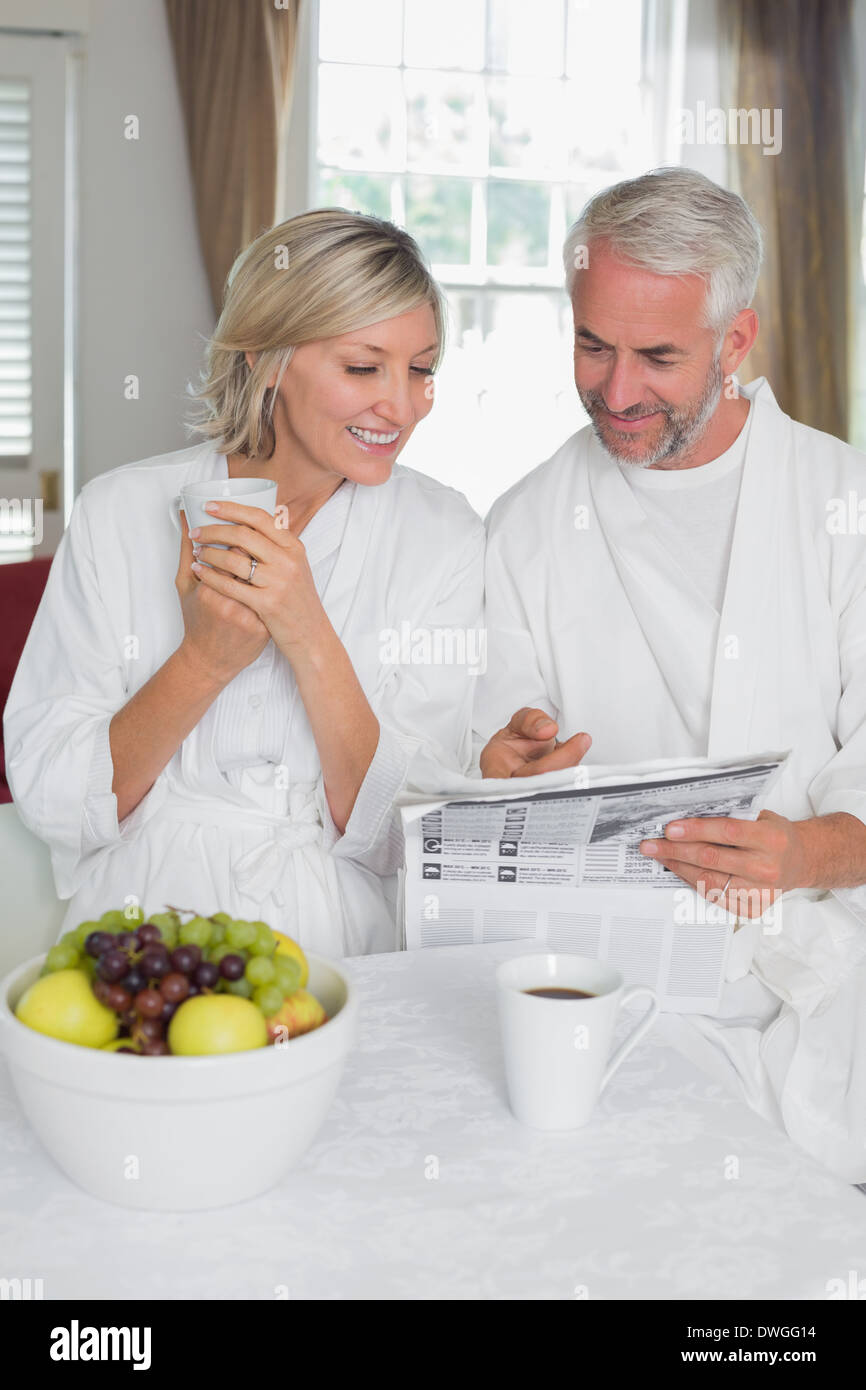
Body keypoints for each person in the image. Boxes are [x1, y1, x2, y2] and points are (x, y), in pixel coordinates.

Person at [476, 168, 866, 1182]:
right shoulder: (523, 523)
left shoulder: (839, 501)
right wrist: (501, 758)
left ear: (734, 341)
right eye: (590, 345)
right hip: (612, 996)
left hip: (818, 988)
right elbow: (482, 749)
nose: (615, 391)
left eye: (656, 356)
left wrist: (805, 852)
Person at [4, 210, 484, 957]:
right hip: (141, 931)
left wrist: (307, 629)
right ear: (266, 357)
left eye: (421, 369)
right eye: (364, 367)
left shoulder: (444, 533)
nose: (404, 405)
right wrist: (203, 662)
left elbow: (408, 834)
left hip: (340, 945)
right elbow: (56, 800)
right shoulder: (120, 511)